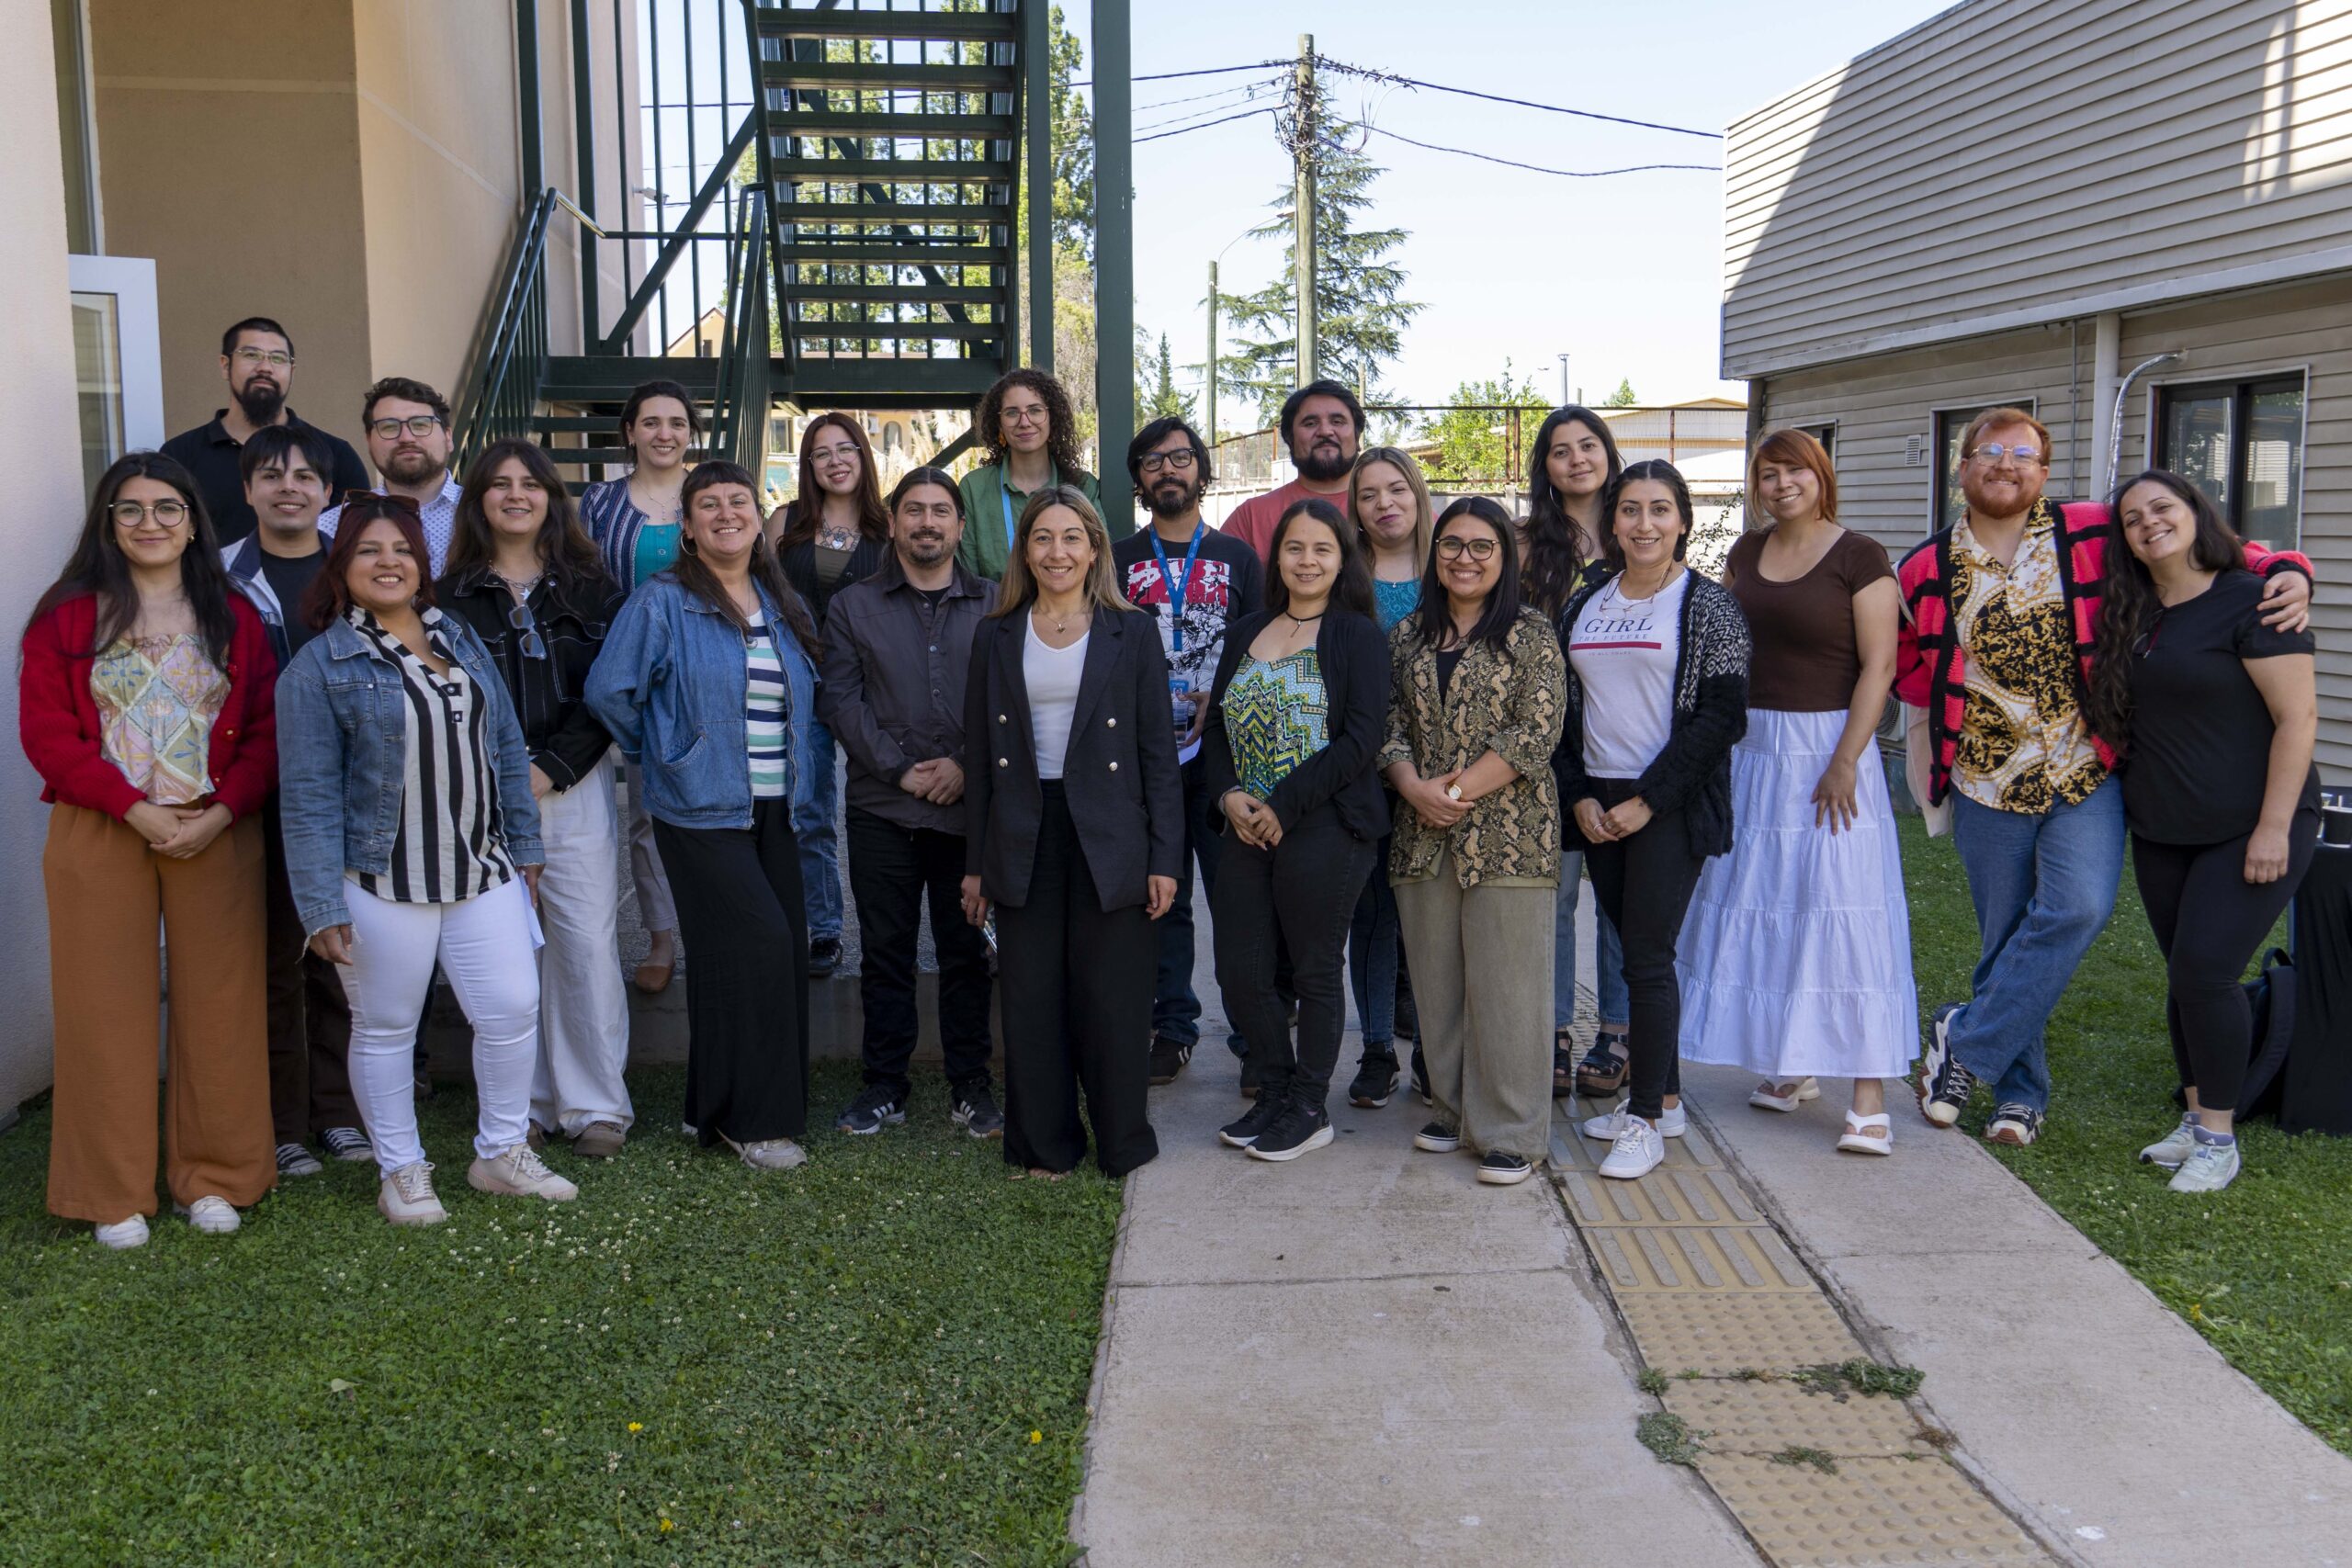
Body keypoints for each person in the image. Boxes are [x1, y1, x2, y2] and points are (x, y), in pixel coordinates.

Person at [1901, 408, 2312, 1145]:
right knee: (2004, 938)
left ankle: (1962, 1038)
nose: (2005, 464)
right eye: (1988, 452)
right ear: (1961, 467)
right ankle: (2020, 1096)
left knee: (2079, 909)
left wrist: (2288, 569)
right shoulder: (1925, 567)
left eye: (2022, 454)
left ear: (2043, 472)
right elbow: (1909, 665)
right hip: (1986, 778)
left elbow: (2211, 551)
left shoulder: (2092, 529)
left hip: (2086, 768)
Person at [275, 495, 572, 1226]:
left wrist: (525, 848)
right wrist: (320, 905)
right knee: (386, 1027)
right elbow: (307, 797)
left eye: (401, 549)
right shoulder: (319, 668)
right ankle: (401, 1171)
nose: (388, 562)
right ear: (341, 565)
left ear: (422, 562)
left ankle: (500, 1153)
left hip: (481, 868)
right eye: (369, 550)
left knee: (509, 1007)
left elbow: (505, 748)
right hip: (381, 878)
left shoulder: (460, 635)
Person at [21, 454, 279, 1248]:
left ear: (194, 519)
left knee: (222, 1003)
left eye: (166, 508)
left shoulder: (232, 612)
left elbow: (268, 731)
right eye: (129, 510)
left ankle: (214, 1176)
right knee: (103, 1004)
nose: (149, 524)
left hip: (213, 828)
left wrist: (224, 809)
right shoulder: (66, 615)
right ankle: (112, 1191)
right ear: (108, 523)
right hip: (104, 825)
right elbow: (46, 733)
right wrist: (129, 807)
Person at [1676, 431, 1915, 1156]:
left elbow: (1880, 667)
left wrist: (1847, 758)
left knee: (1844, 910)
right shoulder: (1745, 554)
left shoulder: (1859, 556)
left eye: (1794, 471)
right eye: (1767, 473)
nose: (1780, 484)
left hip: (1829, 749)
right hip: (1754, 750)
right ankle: (1791, 1064)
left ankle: (1868, 1094)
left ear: (1821, 476)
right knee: (1770, 902)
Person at [2081, 472, 2319, 1193]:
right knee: (2185, 980)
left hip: (2252, 825)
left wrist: (2273, 828)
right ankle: (2194, 1120)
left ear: (2195, 513)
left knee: (2205, 975)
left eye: (2163, 508)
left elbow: (2298, 720)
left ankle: (2219, 1136)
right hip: (2162, 827)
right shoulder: (2136, 611)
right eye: (2131, 519)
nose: (2149, 523)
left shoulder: (2255, 598)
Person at [587, 460, 822, 1173]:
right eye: (708, 505)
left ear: (759, 515)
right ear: (686, 526)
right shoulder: (662, 603)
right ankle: (756, 1123)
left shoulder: (780, 602)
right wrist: (667, 753)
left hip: (775, 805)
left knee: (761, 955)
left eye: (739, 501)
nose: (726, 513)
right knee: (759, 945)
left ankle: (713, 1111)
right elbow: (609, 690)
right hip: (699, 809)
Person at [959, 486, 1181, 1179]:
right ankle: (1046, 1144)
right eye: (1042, 538)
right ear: (1025, 550)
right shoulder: (996, 633)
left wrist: (1165, 858)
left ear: (1094, 550)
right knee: (1030, 995)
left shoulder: (1132, 629)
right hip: (1024, 829)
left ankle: (1122, 1140)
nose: (1057, 552)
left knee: (1112, 996)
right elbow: (977, 759)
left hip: (1111, 831)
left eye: (1071, 538)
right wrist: (975, 865)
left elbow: (1157, 756)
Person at [438, 439, 633, 1158]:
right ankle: (521, 1107)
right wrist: (499, 776)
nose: (515, 494)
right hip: (481, 795)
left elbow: (612, 693)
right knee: (506, 955)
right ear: (478, 499)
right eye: (499, 483)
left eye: (531, 483)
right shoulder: (445, 597)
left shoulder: (593, 588)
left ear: (552, 497)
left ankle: (594, 1106)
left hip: (572, 787)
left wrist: (549, 768)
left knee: (584, 944)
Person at [1557, 461, 1751, 1181]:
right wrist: (1579, 794)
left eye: (1660, 509)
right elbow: (1567, 712)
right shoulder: (1586, 602)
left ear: (1683, 521)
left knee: (1645, 955)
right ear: (1612, 522)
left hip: (1666, 801)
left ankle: (1642, 1120)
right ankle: (1662, 1098)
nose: (1644, 524)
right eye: (1631, 510)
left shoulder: (1707, 606)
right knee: (1631, 943)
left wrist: (1649, 800)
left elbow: (1723, 717)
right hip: (1598, 801)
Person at [1382, 497, 1566, 1187]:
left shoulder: (1530, 632)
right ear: (1435, 555)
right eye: (1452, 544)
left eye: (1481, 545)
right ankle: (1455, 1109)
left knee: (1509, 987)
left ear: (1504, 557)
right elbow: (1387, 724)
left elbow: (1536, 731)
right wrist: (1411, 785)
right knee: (1439, 984)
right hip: (1421, 834)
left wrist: (1452, 793)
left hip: (1511, 834)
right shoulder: (1406, 637)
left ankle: (1512, 1132)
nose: (1465, 557)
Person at [1204, 499, 1389, 1162]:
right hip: (1247, 824)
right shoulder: (1246, 629)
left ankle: (1311, 1106)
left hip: (1326, 824)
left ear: (1342, 561)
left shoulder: (1355, 635)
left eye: (1321, 549)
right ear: (1275, 556)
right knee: (1241, 969)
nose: (1306, 561)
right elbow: (1220, 725)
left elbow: (1362, 737)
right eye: (1294, 548)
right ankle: (1276, 1090)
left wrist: (1282, 803)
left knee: (1313, 969)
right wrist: (1228, 795)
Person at [820, 468, 1001, 1139]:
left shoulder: (996, 602)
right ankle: (884, 1085)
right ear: (892, 522)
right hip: (883, 811)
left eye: (941, 511)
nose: (927, 522)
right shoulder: (852, 606)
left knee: (966, 952)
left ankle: (971, 1086)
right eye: (914, 510)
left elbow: (1008, 702)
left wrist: (964, 766)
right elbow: (840, 699)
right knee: (887, 952)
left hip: (965, 812)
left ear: (960, 524)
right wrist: (902, 772)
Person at [220, 425, 370, 1176]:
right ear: (247, 489)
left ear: (327, 493)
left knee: (339, 956)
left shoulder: (354, 572)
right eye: (272, 475)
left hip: (345, 794)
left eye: (306, 475)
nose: (289, 486)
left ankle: (339, 1112)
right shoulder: (215, 577)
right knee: (275, 957)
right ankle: (283, 1120)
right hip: (253, 792)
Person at [1110, 416, 1265, 1086]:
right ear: (1139, 480)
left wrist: (1219, 696)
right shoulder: (1115, 559)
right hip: (1146, 758)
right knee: (1162, 900)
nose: (1168, 469)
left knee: (1237, 902)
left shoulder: (1239, 558)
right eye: (1152, 460)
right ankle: (1171, 1030)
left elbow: (1261, 645)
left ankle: (1254, 1038)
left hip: (1219, 754)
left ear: (1202, 471)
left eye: (1180, 458)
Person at [1523, 407, 1635, 1101]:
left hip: (1626, 741)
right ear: (1546, 466)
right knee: (1557, 893)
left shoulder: (1639, 532)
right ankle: (1556, 1032)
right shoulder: (1527, 542)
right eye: (1560, 450)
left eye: (1587, 445)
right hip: (1549, 743)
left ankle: (1617, 1032)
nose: (1576, 459)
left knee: (1620, 897)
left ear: (1608, 452)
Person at [579, 379, 698, 995]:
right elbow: (579, 582)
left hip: (698, 675)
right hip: (623, 676)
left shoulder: (710, 495)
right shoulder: (598, 503)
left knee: (710, 810)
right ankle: (659, 937)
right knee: (644, 817)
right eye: (650, 422)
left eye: (676, 422)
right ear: (629, 431)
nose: (663, 433)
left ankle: (710, 928)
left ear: (690, 433)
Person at [772, 413, 892, 979]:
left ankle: (893, 926)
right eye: (822, 453)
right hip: (797, 685)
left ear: (864, 457)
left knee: (884, 808)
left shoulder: (890, 527)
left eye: (847, 449)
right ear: (809, 465)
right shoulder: (782, 523)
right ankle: (822, 927)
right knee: (808, 807)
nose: (836, 460)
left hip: (872, 688)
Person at [1341, 446, 1432, 1105]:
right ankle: (1377, 1048)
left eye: (1396, 489)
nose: (1384, 504)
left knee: (1432, 919)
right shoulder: (1347, 580)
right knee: (1372, 917)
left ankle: (1435, 1047)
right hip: (1367, 772)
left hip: (1446, 774)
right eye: (1369, 494)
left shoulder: (1453, 564)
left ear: (1418, 494)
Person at [160, 317, 368, 546]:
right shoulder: (180, 455)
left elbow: (356, 542)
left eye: (278, 358)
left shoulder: (336, 454)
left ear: (292, 371)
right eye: (251, 355)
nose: (265, 368)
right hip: (208, 582)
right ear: (225, 365)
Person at [956, 369, 1110, 581]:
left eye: (1035, 410)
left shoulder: (1083, 486)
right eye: (1011, 413)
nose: (1024, 422)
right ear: (999, 423)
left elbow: (1099, 563)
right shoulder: (974, 487)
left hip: (1070, 611)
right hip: (996, 611)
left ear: (1052, 418)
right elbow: (969, 579)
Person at [319, 377, 464, 574]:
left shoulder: (486, 515)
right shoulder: (332, 529)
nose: (406, 438)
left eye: (421, 425)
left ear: (448, 437)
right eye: (389, 427)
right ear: (369, 441)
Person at [1221, 380, 1363, 562]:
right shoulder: (1252, 517)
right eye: (1310, 423)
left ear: (1357, 435)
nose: (1326, 431)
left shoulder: (1387, 509)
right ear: (1289, 439)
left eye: (1337, 421)